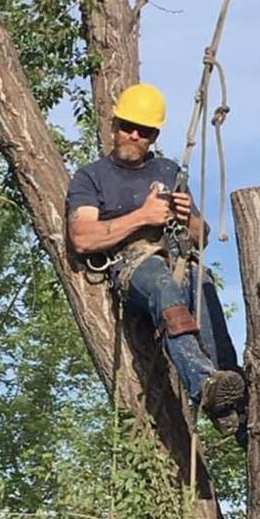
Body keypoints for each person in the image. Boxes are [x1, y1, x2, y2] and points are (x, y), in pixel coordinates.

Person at [65, 82, 248, 447]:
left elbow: (201, 237)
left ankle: (234, 403)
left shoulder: (167, 171)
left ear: (153, 136)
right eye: (129, 126)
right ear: (114, 125)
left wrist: (187, 218)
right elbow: (83, 237)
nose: (135, 135)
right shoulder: (91, 177)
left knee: (206, 296)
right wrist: (143, 216)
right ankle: (204, 384)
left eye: (144, 131)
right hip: (134, 264)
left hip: (179, 258)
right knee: (163, 287)